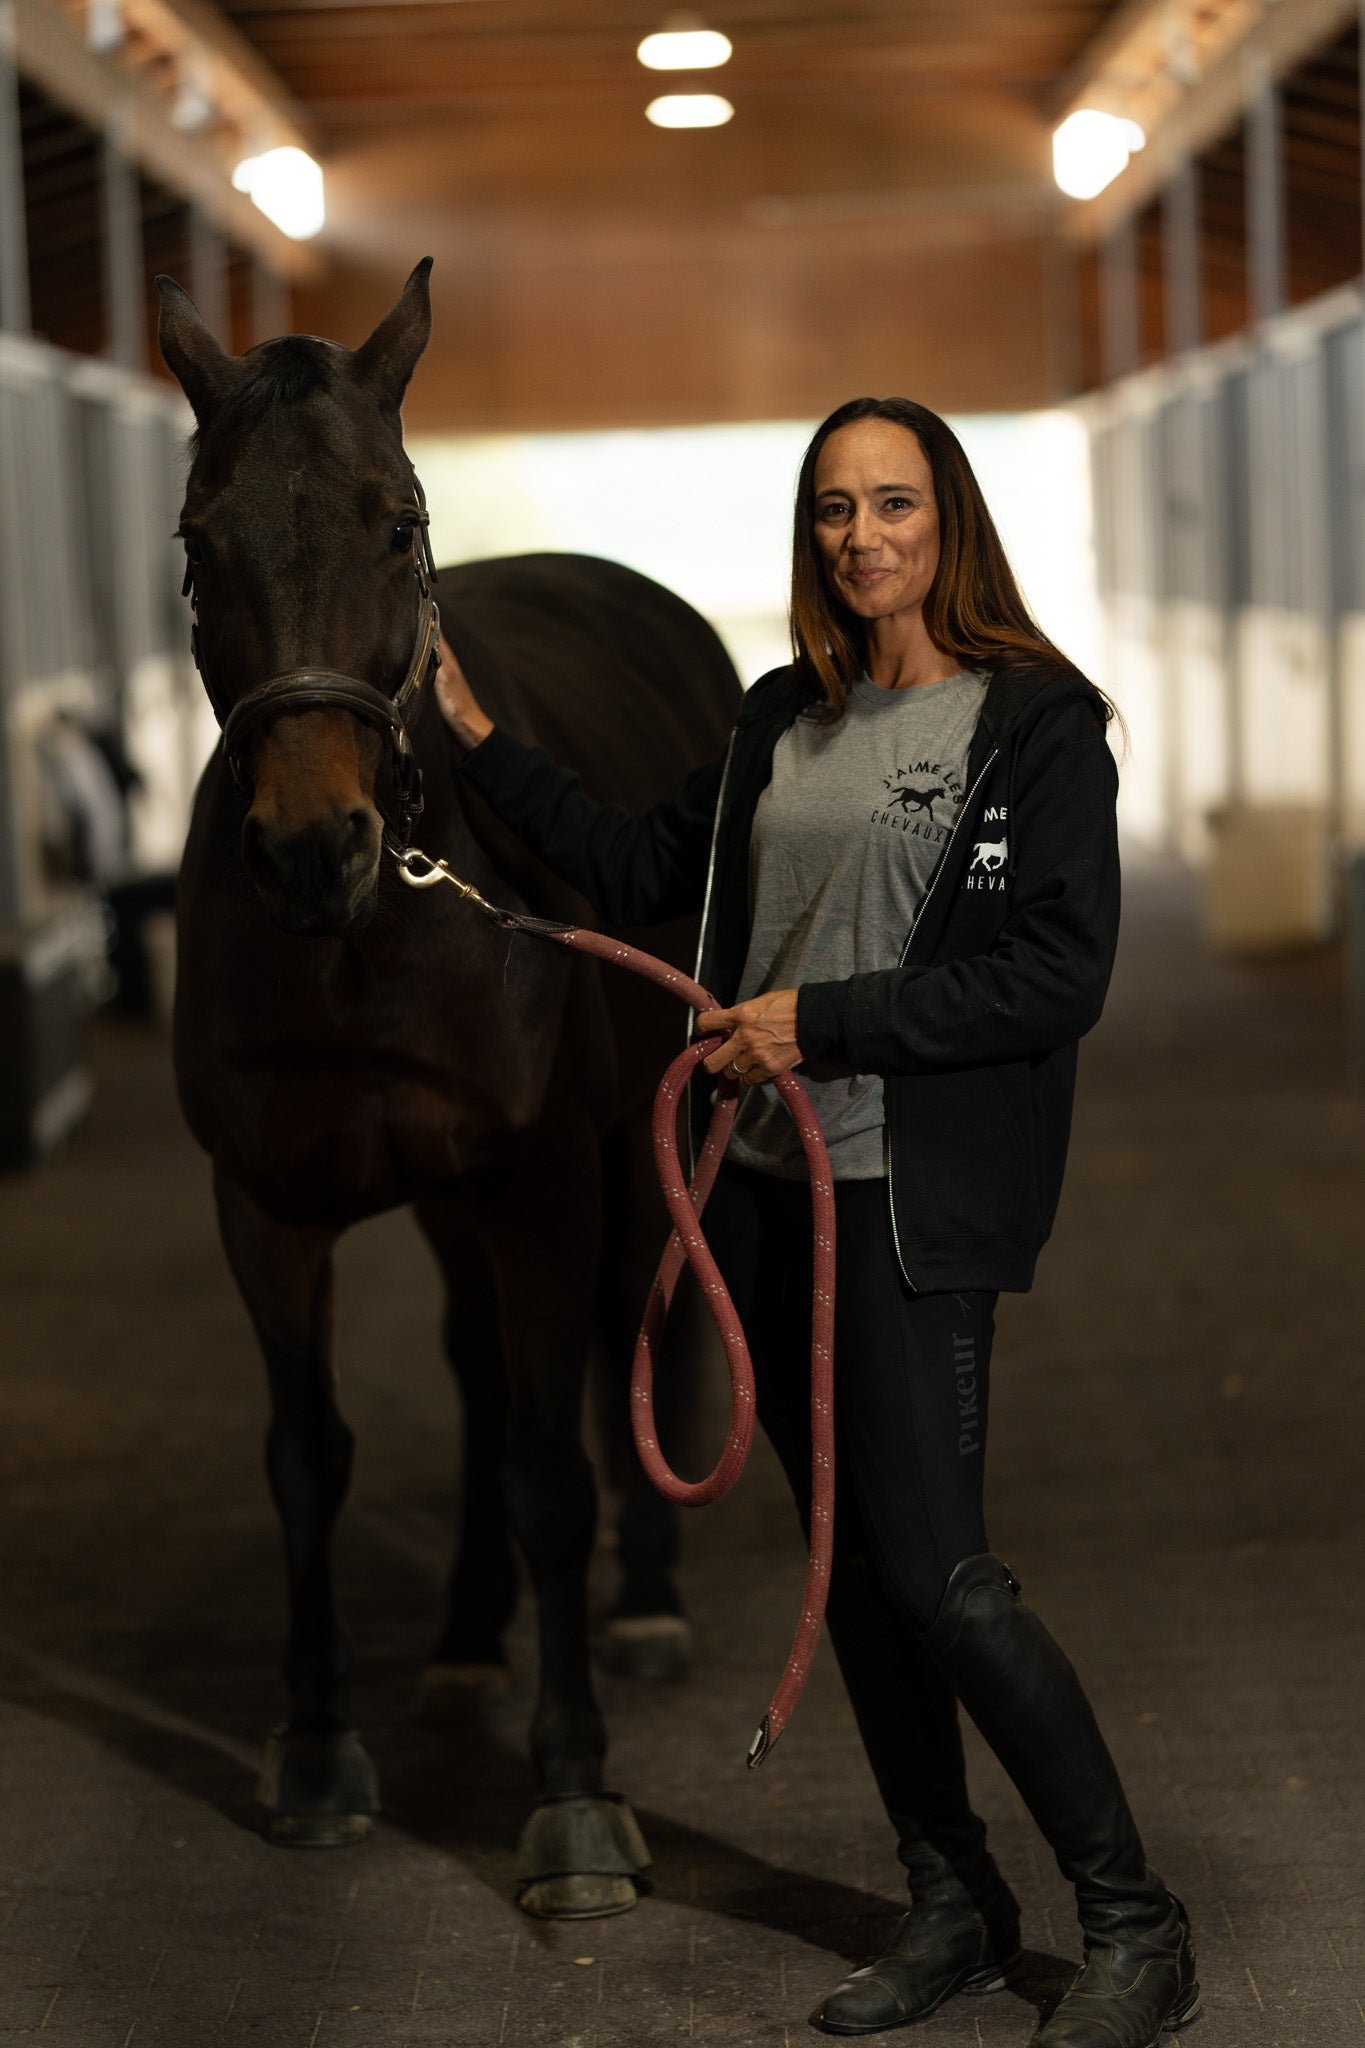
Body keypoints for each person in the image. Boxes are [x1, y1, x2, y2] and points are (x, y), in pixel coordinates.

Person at [432, 396, 1200, 2046]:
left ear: (951, 522)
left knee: (946, 1579)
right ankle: (953, 1903)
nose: (863, 538)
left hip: (911, 1204)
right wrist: (481, 747)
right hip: (769, 1195)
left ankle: (1134, 1919)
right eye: (836, 509)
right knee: (848, 1569)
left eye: (895, 506)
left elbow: (1056, 978)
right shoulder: (786, 713)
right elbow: (642, 858)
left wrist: (818, 1023)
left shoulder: (1039, 725)